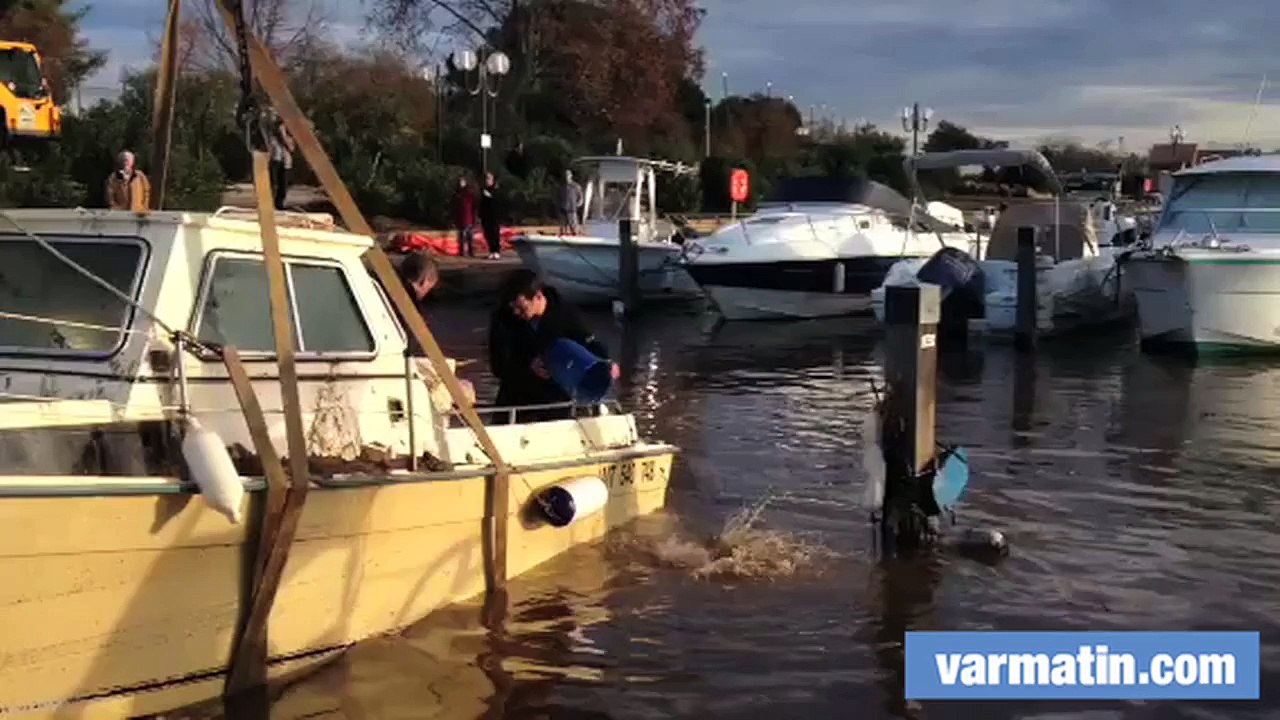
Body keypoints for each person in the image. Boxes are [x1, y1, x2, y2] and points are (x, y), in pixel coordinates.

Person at [488, 269, 619, 423]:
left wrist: (607, 362)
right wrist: (527, 367)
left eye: (521, 308)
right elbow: (498, 365)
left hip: (554, 400)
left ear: (538, 296)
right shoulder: (503, 319)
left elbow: (587, 342)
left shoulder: (565, 314)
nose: (516, 312)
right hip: (515, 399)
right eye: (512, 308)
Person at [394, 251, 476, 411]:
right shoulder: (407, 306)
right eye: (429, 288)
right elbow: (412, 349)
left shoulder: (385, 289)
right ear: (424, 281)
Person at [264, 108, 294, 210]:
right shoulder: (271, 133)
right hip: (275, 159)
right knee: (273, 183)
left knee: (283, 185)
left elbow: (291, 147)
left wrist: (283, 134)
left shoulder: (289, 132)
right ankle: (270, 204)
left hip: (286, 161)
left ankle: (279, 205)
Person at [450, 175, 478, 257]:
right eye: (459, 182)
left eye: (461, 182)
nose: (460, 183)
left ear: (465, 183)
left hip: (469, 218)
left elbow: (474, 206)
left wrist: (474, 218)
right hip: (460, 219)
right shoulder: (456, 195)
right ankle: (462, 251)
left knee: (470, 236)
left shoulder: (469, 194)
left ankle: (471, 251)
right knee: (462, 236)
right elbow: (453, 207)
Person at [478, 172, 503, 260]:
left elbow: (499, 202)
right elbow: (481, 204)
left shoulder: (496, 189)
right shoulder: (483, 190)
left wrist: (490, 197)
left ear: (492, 180)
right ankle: (491, 251)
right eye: (486, 179)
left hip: (494, 216)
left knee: (495, 234)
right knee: (488, 234)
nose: (487, 181)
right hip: (486, 216)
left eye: (488, 179)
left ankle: (496, 251)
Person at [556, 169, 583, 236]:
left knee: (574, 228)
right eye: (565, 175)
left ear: (571, 176)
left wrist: (578, 204)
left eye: (568, 175)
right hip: (562, 210)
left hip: (572, 210)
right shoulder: (561, 187)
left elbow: (581, 197)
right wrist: (558, 205)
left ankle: (575, 238)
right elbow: (557, 197)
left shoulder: (576, 186)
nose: (566, 176)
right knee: (562, 229)